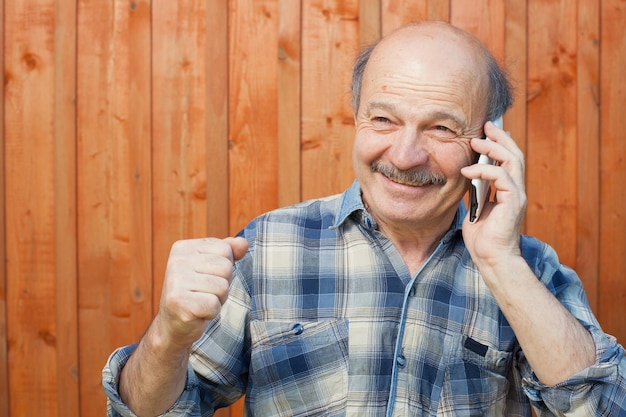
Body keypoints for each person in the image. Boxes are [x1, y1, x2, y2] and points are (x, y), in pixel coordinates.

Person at [103, 21, 626, 416]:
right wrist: (168, 335)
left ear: (488, 146)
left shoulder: (528, 269)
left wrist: (503, 265)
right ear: (357, 119)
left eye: (442, 128)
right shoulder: (267, 249)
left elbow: (603, 409)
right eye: (383, 119)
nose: (403, 154)